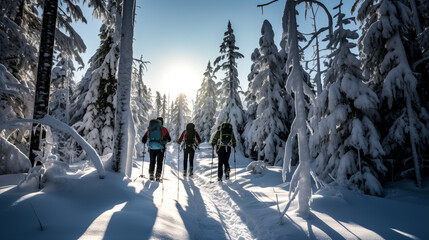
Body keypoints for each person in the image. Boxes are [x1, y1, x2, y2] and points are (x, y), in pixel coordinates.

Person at [142, 117, 171, 181]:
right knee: (159, 162)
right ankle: (158, 176)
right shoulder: (164, 129)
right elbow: (169, 139)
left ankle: (151, 174)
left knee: (152, 161)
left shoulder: (151, 129)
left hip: (152, 147)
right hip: (161, 148)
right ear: (162, 122)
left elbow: (143, 140)